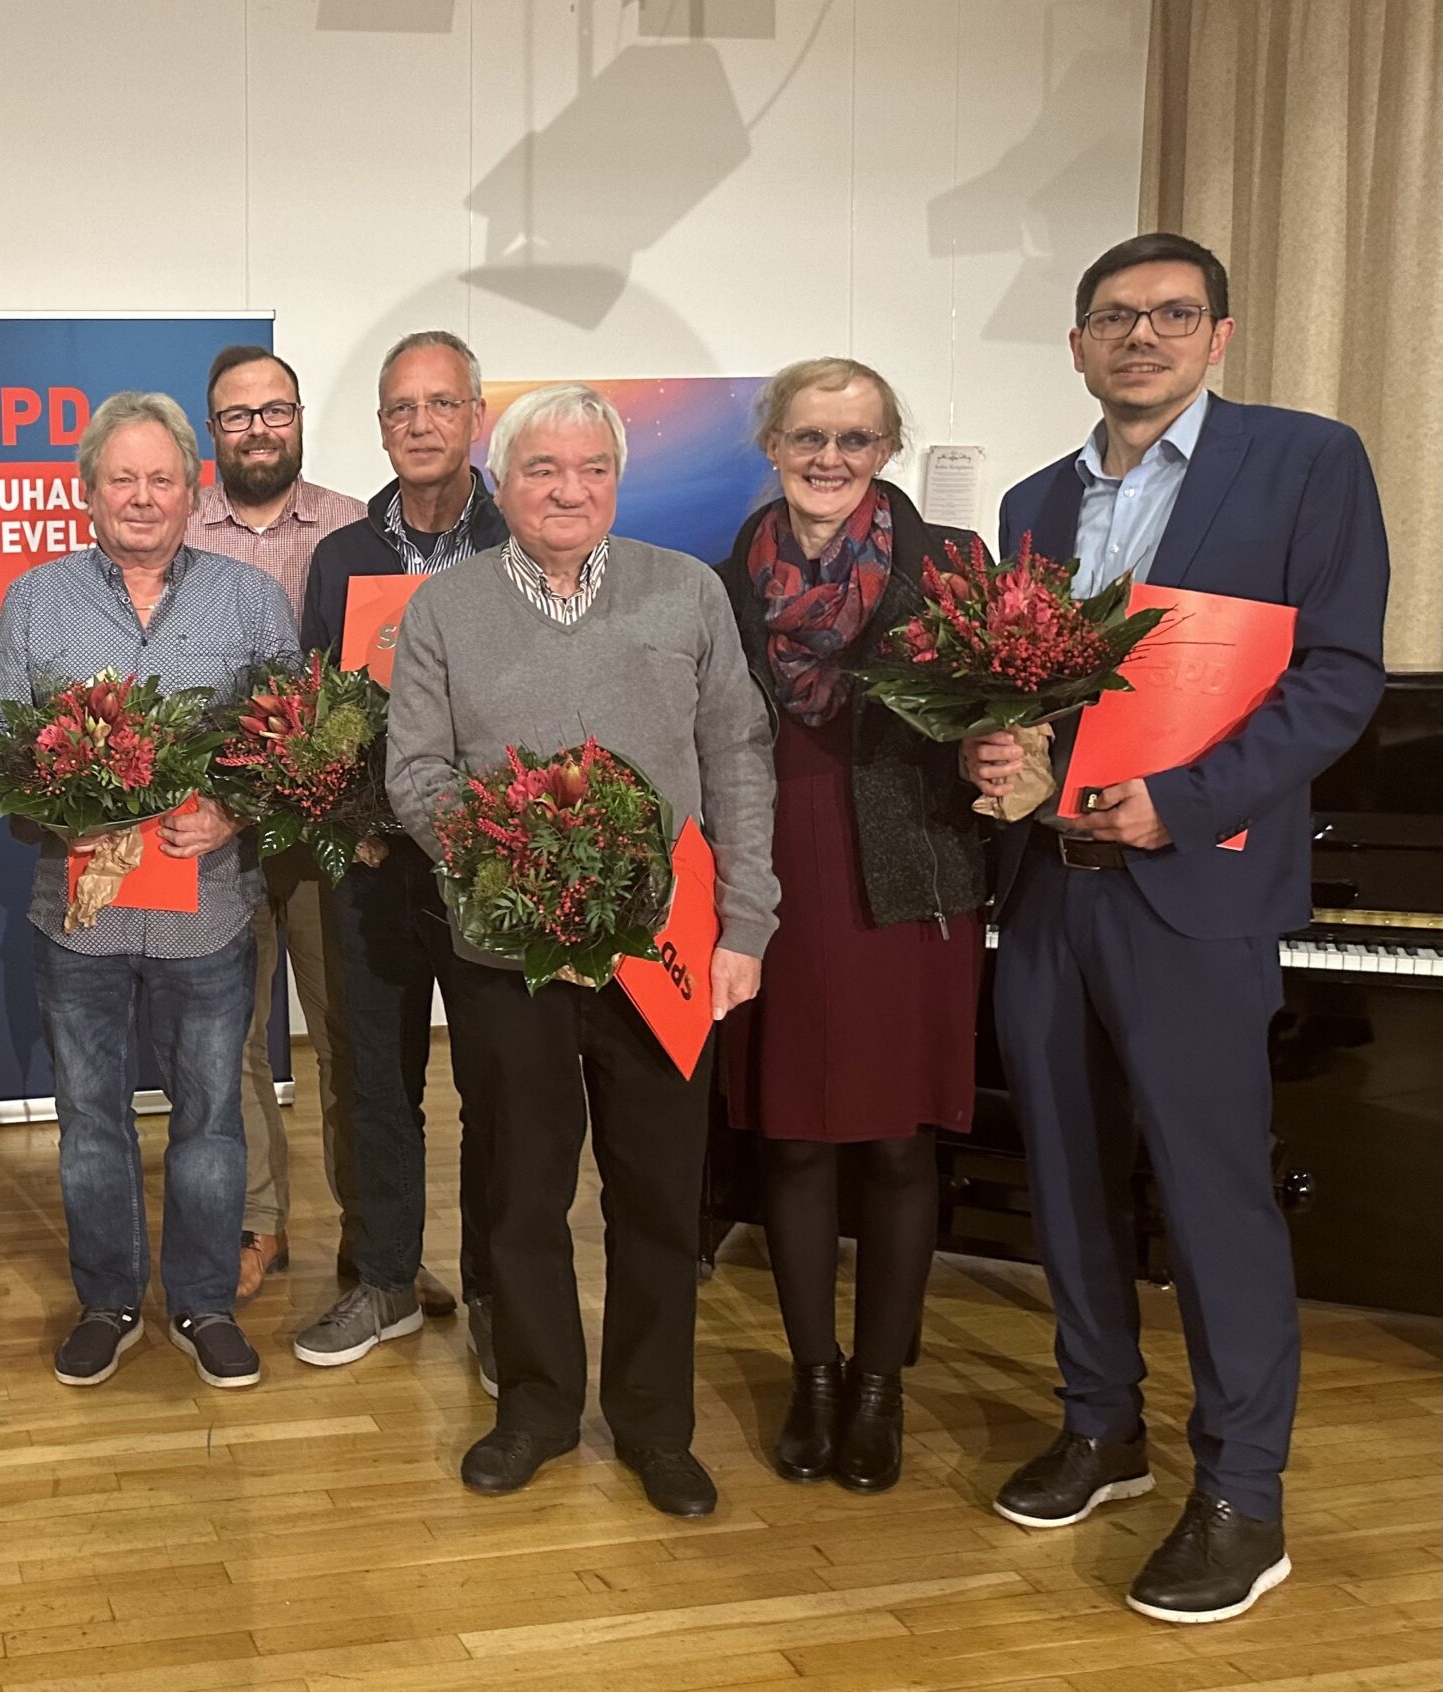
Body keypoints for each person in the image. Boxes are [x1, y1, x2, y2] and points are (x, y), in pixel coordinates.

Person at [966, 232, 1389, 1624]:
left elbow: (1335, 682)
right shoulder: (1034, 501)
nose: (1139, 337)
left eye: (1170, 314)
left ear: (1217, 334)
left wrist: (1178, 802)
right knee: (1068, 1182)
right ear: (1078, 346)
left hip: (1194, 884)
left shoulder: (1306, 462)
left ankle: (1241, 1494)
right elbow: (1016, 685)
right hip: (1047, 890)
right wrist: (996, 752)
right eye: (1111, 318)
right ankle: (1103, 1429)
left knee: (1214, 1197)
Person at [388, 384, 775, 1512]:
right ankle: (538, 1408)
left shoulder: (686, 591)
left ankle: (655, 1423)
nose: (568, 490)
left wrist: (746, 926)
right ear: (501, 483)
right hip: (508, 953)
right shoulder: (444, 608)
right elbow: (413, 774)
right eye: (543, 469)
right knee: (520, 1193)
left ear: (616, 480)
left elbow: (739, 762)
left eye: (591, 469)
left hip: (664, 956)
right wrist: (527, 862)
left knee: (657, 1199)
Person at [0, 391, 298, 1393]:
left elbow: (286, 749)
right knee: (89, 1119)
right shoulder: (34, 600)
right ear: (85, 494)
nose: (141, 495)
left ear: (191, 489)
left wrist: (234, 817)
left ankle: (204, 1301)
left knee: (211, 1118)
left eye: (161, 478)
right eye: (120, 478)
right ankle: (108, 1301)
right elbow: (1, 752)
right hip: (78, 921)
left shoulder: (251, 601)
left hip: (207, 916)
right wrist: (53, 805)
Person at [714, 358, 987, 1495]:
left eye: (857, 439)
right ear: (773, 442)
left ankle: (880, 1386)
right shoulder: (724, 579)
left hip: (909, 876)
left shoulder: (952, 568)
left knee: (895, 1138)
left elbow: (1004, 723)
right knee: (788, 1133)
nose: (831, 459)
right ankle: (812, 1376)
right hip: (770, 874)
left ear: (886, 449)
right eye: (809, 437)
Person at [291, 329, 507, 1380]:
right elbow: (318, 713)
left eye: (439, 404)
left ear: (477, 416)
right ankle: (383, 1278)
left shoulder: (524, 540)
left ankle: (506, 1295)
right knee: (375, 1074)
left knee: (500, 1083)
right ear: (381, 428)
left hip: (493, 862)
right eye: (399, 409)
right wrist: (345, 816)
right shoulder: (341, 556)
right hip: (372, 860)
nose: (419, 424)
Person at [188, 344, 388, 1306]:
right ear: (211, 431)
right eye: (238, 415)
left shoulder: (358, 529)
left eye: (276, 411)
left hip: (329, 835)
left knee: (356, 1039)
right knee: (228, 1043)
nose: (260, 429)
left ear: (300, 418)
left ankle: (375, 1238)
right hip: (219, 834)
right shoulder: (176, 536)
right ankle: (255, 1222)